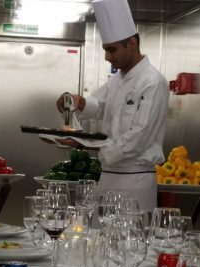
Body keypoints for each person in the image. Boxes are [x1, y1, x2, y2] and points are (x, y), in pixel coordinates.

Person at [56, 0, 169, 212]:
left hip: (135, 181)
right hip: (106, 177)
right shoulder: (117, 80)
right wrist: (78, 102)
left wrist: (86, 144)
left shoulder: (153, 82)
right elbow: (98, 105)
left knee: (130, 241)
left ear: (132, 44)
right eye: (105, 50)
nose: (108, 57)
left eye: (112, 50)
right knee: (100, 241)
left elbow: (138, 137)